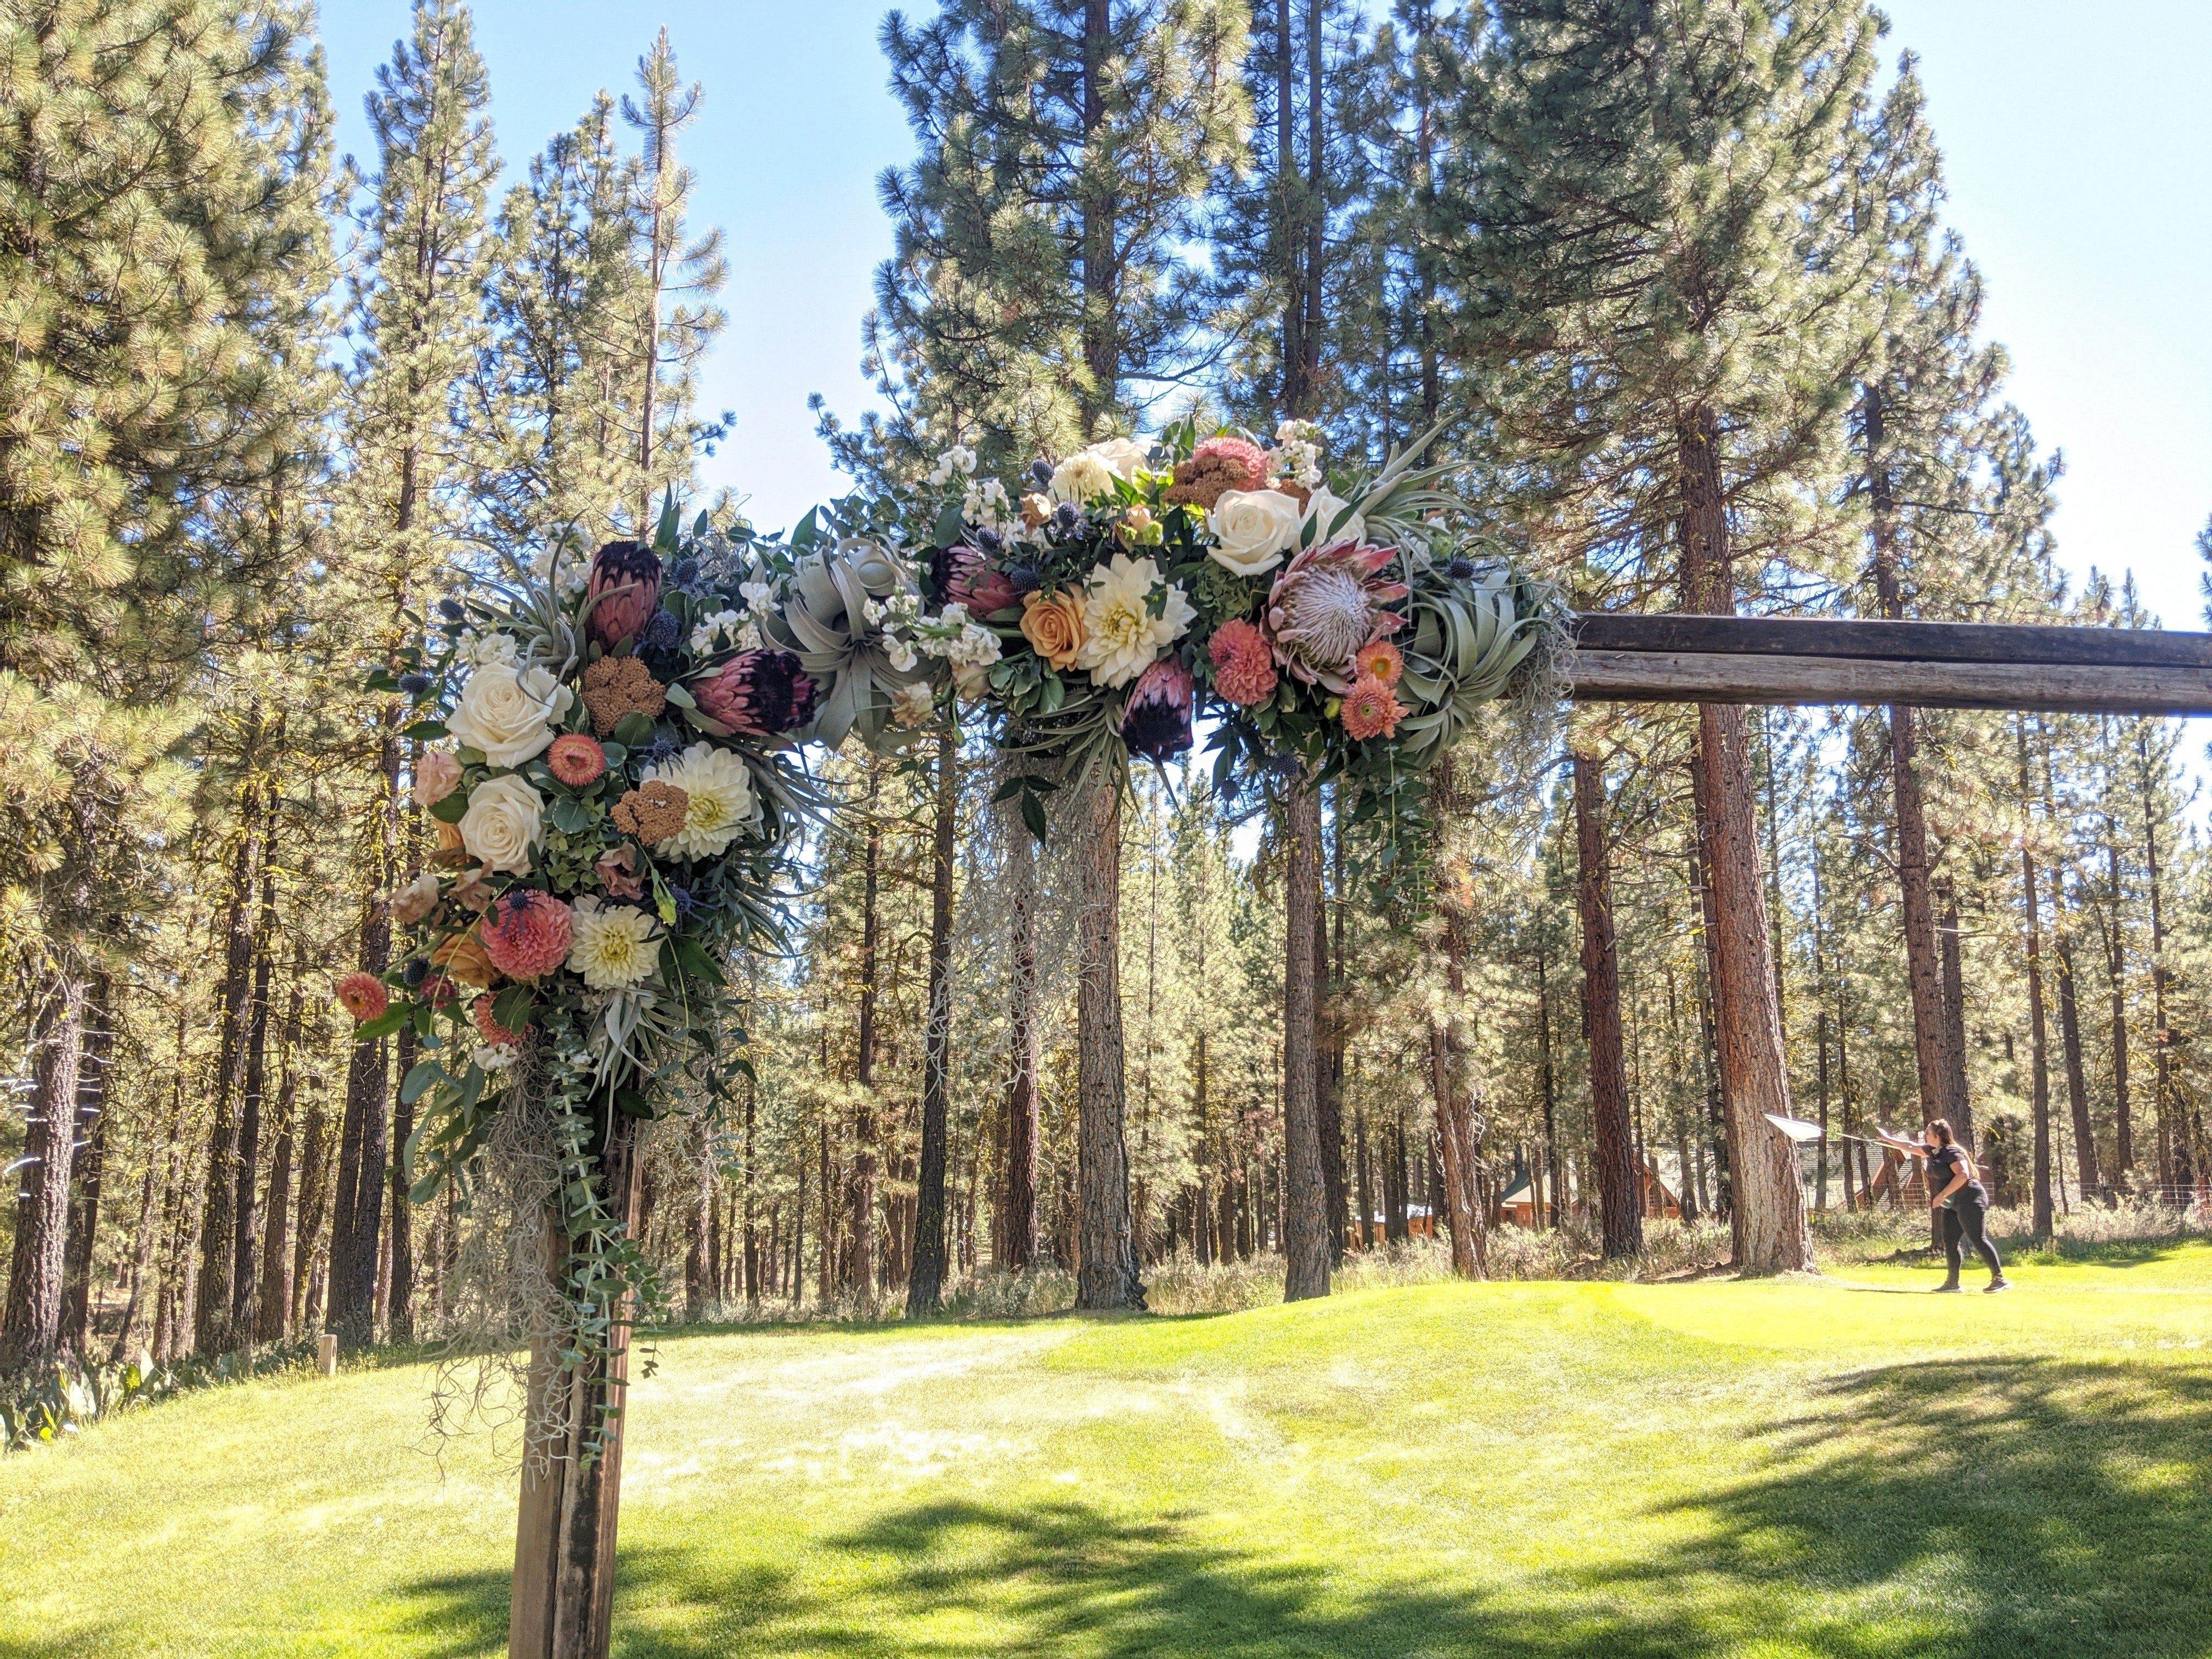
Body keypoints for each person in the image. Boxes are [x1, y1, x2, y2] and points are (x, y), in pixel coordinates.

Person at [1876, 1120, 2009, 1293]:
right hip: (1954, 1202)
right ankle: (1953, 1283)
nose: (1925, 1136)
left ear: (1937, 1136)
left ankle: (2000, 1279)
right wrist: (1887, 1139)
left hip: (1970, 1198)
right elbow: (1910, 1146)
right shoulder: (1933, 1151)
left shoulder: (1952, 1152)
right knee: (1950, 1241)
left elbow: (1963, 1175)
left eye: (1928, 1133)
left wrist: (1942, 1196)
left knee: (1978, 1238)